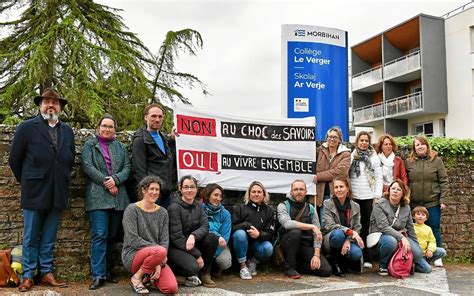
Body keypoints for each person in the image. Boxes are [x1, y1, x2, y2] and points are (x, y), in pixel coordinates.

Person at [8, 88, 75, 292]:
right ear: (40, 105)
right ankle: (27, 276)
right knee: (30, 236)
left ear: (60, 107)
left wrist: (61, 178)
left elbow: (69, 159)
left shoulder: (67, 131)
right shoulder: (27, 127)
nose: (50, 105)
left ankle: (46, 273)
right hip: (34, 191)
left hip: (57, 191)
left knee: (49, 236)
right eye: (46, 101)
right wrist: (27, 181)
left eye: (54, 102)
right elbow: (14, 160)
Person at [81, 114, 131, 290]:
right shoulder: (90, 145)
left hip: (118, 197)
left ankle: (109, 271)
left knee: (112, 236)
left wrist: (115, 180)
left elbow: (127, 168)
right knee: (100, 235)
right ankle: (98, 274)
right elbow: (87, 166)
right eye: (104, 126)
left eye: (111, 126)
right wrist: (106, 182)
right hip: (97, 197)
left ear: (115, 130)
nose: (107, 129)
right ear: (98, 127)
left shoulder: (121, 147)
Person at [122, 176, 178, 294]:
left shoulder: (163, 212)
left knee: (171, 288)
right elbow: (132, 239)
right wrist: (158, 253)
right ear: (143, 190)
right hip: (133, 255)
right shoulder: (132, 210)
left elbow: (164, 240)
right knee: (161, 251)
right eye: (151, 189)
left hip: (157, 255)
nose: (154, 192)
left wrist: (158, 260)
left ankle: (147, 278)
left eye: (157, 190)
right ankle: (137, 277)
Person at [369, 179, 431, 275]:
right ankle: (384, 265)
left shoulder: (406, 207)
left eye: (398, 189)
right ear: (389, 191)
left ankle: (404, 264)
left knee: (425, 267)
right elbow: (384, 227)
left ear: (403, 193)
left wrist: (416, 246)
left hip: (400, 236)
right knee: (391, 242)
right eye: (393, 188)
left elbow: (410, 228)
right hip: (382, 237)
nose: (395, 191)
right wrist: (402, 238)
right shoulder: (379, 205)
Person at [167, 176, 219, 288]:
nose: (189, 190)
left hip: (192, 243)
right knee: (192, 267)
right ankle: (179, 274)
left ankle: (205, 273)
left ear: (196, 189)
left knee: (213, 238)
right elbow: (176, 238)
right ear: (180, 189)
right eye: (186, 187)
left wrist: (193, 235)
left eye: (192, 187)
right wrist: (197, 255)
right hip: (177, 246)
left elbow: (205, 225)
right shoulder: (174, 208)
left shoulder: (198, 205)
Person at [405, 135, 449, 267]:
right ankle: (414, 255)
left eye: (422, 144)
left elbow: (444, 181)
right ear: (414, 148)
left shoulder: (437, 161)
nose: (420, 147)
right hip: (414, 203)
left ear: (427, 145)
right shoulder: (408, 162)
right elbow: (405, 181)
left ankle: (436, 256)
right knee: (412, 230)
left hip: (432, 202)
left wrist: (443, 199)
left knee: (434, 228)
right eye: (417, 145)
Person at [277, 180, 331, 279]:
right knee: (295, 232)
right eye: (296, 189)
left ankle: (296, 265)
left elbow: (317, 234)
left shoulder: (311, 208)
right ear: (291, 191)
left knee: (326, 270)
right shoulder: (283, 206)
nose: (298, 192)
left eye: (301, 189)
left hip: (305, 246)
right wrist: (312, 227)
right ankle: (289, 268)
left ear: (306, 192)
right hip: (288, 245)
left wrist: (316, 255)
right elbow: (287, 224)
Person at [349, 131, 383, 269]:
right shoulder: (352, 156)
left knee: (366, 227)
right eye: (361, 140)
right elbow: (347, 175)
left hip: (368, 197)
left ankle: (367, 257)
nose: (363, 143)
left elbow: (379, 178)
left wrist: (377, 195)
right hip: (354, 196)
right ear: (357, 142)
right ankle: (356, 257)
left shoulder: (374, 157)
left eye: (366, 140)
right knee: (354, 226)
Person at [130, 104, 175, 208]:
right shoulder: (140, 139)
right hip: (151, 193)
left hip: (165, 191)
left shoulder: (163, 137)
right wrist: (146, 193)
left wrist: (172, 140)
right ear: (146, 117)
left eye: (160, 116)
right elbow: (138, 169)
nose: (157, 119)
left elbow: (167, 161)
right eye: (153, 116)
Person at [232, 181, 274, 280]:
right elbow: (232, 227)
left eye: (259, 192)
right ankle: (242, 266)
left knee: (268, 247)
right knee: (240, 234)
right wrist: (246, 225)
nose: (256, 194)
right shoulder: (241, 208)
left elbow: (271, 233)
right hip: (241, 243)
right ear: (249, 194)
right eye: (253, 191)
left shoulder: (269, 211)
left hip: (257, 244)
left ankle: (252, 263)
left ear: (264, 194)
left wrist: (259, 234)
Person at [322, 178, 364, 277]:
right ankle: (335, 263)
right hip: (331, 238)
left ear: (347, 189)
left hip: (348, 238)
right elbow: (330, 225)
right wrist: (349, 231)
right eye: (336, 187)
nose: (338, 189)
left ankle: (344, 262)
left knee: (357, 254)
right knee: (338, 234)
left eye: (341, 186)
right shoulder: (327, 203)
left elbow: (357, 227)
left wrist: (349, 240)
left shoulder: (355, 206)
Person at [314, 126, 351, 224]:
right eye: (330, 137)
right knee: (319, 223)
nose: (332, 139)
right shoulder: (319, 151)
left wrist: (318, 176)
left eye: (335, 137)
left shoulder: (346, 154)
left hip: (336, 193)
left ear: (339, 140)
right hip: (319, 193)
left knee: (333, 223)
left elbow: (339, 172)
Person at [200, 183, 232, 276]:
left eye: (220, 196)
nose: (218, 198)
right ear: (208, 195)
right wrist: (217, 235)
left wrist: (211, 256)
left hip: (219, 246)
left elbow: (225, 237)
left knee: (225, 262)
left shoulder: (225, 214)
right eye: (215, 195)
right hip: (203, 242)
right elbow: (200, 228)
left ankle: (214, 267)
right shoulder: (199, 209)